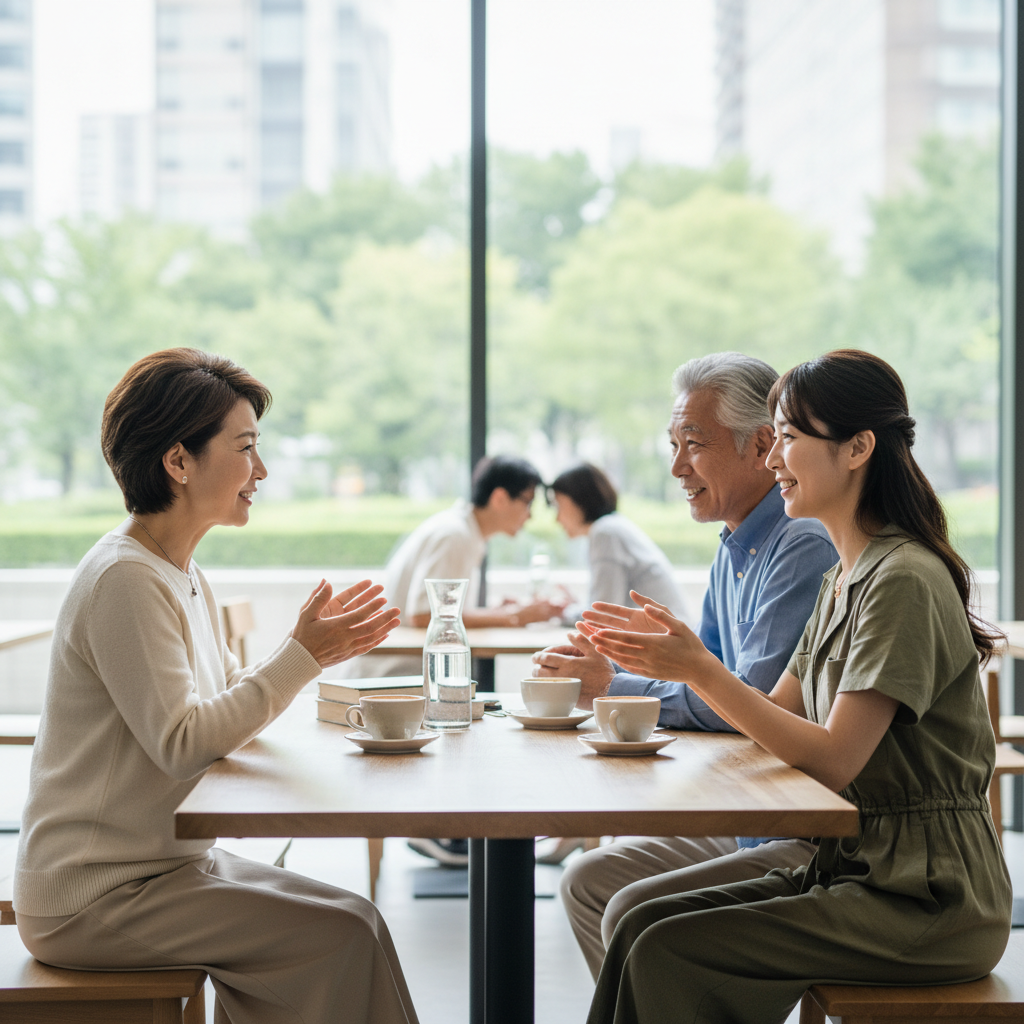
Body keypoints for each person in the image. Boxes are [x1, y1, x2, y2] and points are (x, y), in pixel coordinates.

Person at [583, 349, 1011, 1024]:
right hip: (855, 870)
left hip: (927, 897)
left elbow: (836, 757)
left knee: (664, 946)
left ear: (857, 449)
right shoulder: (844, 577)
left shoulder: (901, 578)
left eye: (788, 438)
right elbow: (775, 710)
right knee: (639, 921)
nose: (773, 458)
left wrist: (697, 668)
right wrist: (681, 667)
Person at [13, 348, 419, 1024]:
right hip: (97, 895)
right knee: (342, 937)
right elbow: (182, 744)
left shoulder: (180, 569)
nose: (260, 471)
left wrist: (314, 659)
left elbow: (226, 698)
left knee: (358, 919)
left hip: (161, 868)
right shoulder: (126, 578)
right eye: (246, 448)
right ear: (178, 462)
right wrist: (303, 654)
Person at [533, 352, 837, 978]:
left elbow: (741, 701)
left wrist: (612, 686)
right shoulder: (736, 545)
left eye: (692, 445)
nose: (676, 468)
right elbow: (712, 679)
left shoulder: (801, 543)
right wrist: (652, 661)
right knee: (589, 879)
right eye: (673, 445)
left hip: (795, 830)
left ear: (761, 446)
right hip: (749, 814)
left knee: (629, 908)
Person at [343, 454, 565, 680]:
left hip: (400, 675)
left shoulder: (463, 532)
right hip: (389, 679)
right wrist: (513, 616)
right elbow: (424, 615)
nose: (530, 515)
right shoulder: (455, 536)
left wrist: (499, 611)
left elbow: (442, 612)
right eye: (527, 502)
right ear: (499, 498)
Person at [548, 462, 686, 620]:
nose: (557, 518)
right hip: (666, 634)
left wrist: (561, 613)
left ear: (579, 500)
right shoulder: (613, 528)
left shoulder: (605, 534)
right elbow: (604, 607)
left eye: (558, 506)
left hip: (666, 638)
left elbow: (603, 615)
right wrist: (575, 608)